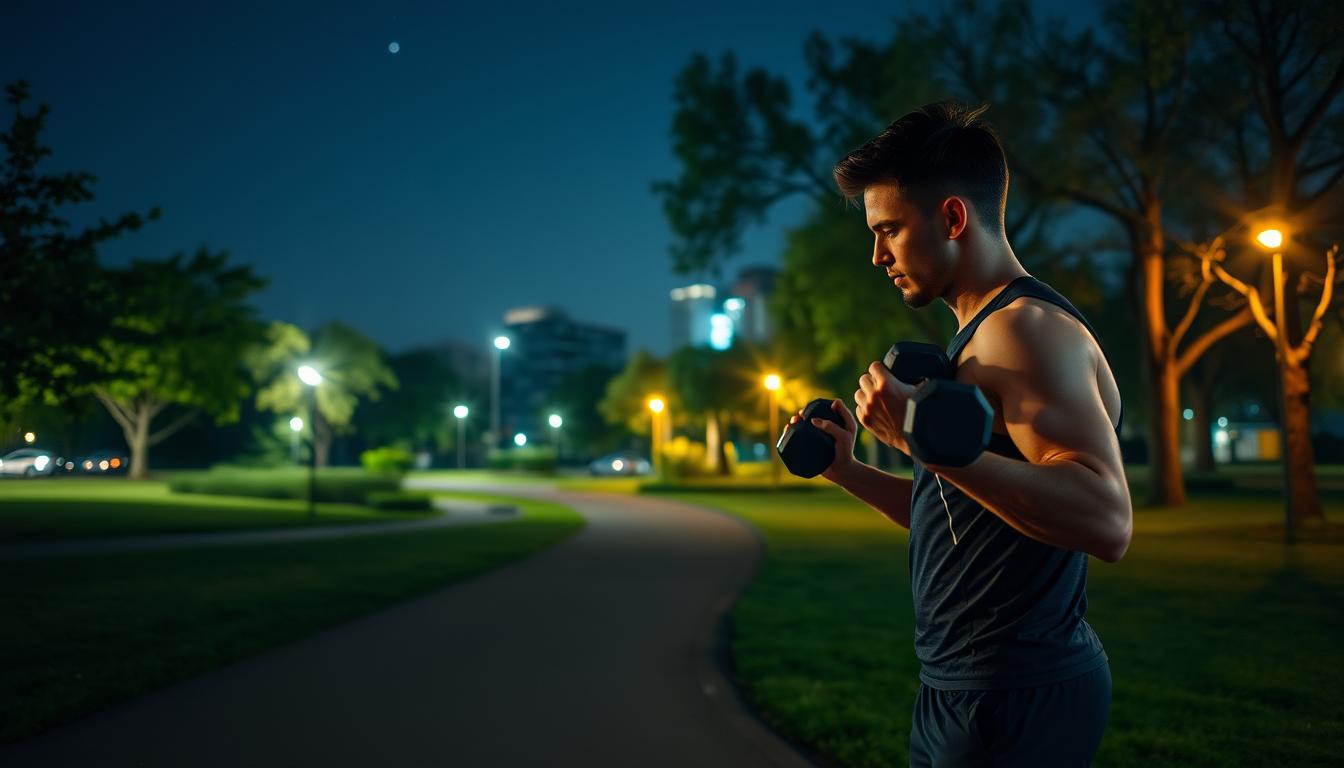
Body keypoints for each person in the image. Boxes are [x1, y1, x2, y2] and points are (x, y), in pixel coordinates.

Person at [790, 101, 1133, 766]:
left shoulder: (1024, 331)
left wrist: (923, 440)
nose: (875, 255)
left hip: (1014, 691)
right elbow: (964, 516)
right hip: (961, 686)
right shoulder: (979, 336)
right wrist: (849, 469)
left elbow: (1106, 518)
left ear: (952, 217)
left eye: (888, 229)